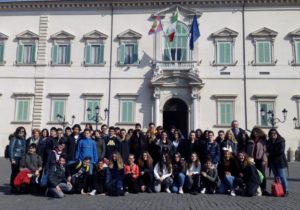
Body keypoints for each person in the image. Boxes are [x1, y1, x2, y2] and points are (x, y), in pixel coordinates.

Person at [267, 128, 289, 196]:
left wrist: (270, 153)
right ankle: (278, 190)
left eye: (274, 133)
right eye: (271, 134)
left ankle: (286, 190)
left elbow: (280, 151)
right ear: (269, 135)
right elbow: (267, 150)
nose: (273, 135)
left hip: (280, 162)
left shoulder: (281, 141)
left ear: (277, 134)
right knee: (276, 177)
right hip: (272, 162)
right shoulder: (269, 141)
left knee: (282, 176)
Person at [249, 127, 269, 195]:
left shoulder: (263, 141)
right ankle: (257, 188)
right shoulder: (251, 140)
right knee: (255, 175)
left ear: (259, 132)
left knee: (262, 175)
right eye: (254, 132)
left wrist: (264, 160)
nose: (255, 133)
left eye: (256, 132)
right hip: (252, 160)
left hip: (260, 160)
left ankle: (264, 189)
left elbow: (265, 151)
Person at [9, 126, 27, 193]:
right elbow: (11, 149)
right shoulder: (14, 138)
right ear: (17, 132)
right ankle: (13, 187)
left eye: (23, 131)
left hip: (21, 158)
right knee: (14, 172)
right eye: (20, 131)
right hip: (15, 157)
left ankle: (17, 186)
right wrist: (12, 159)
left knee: (20, 172)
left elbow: (24, 150)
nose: (21, 133)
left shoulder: (23, 139)